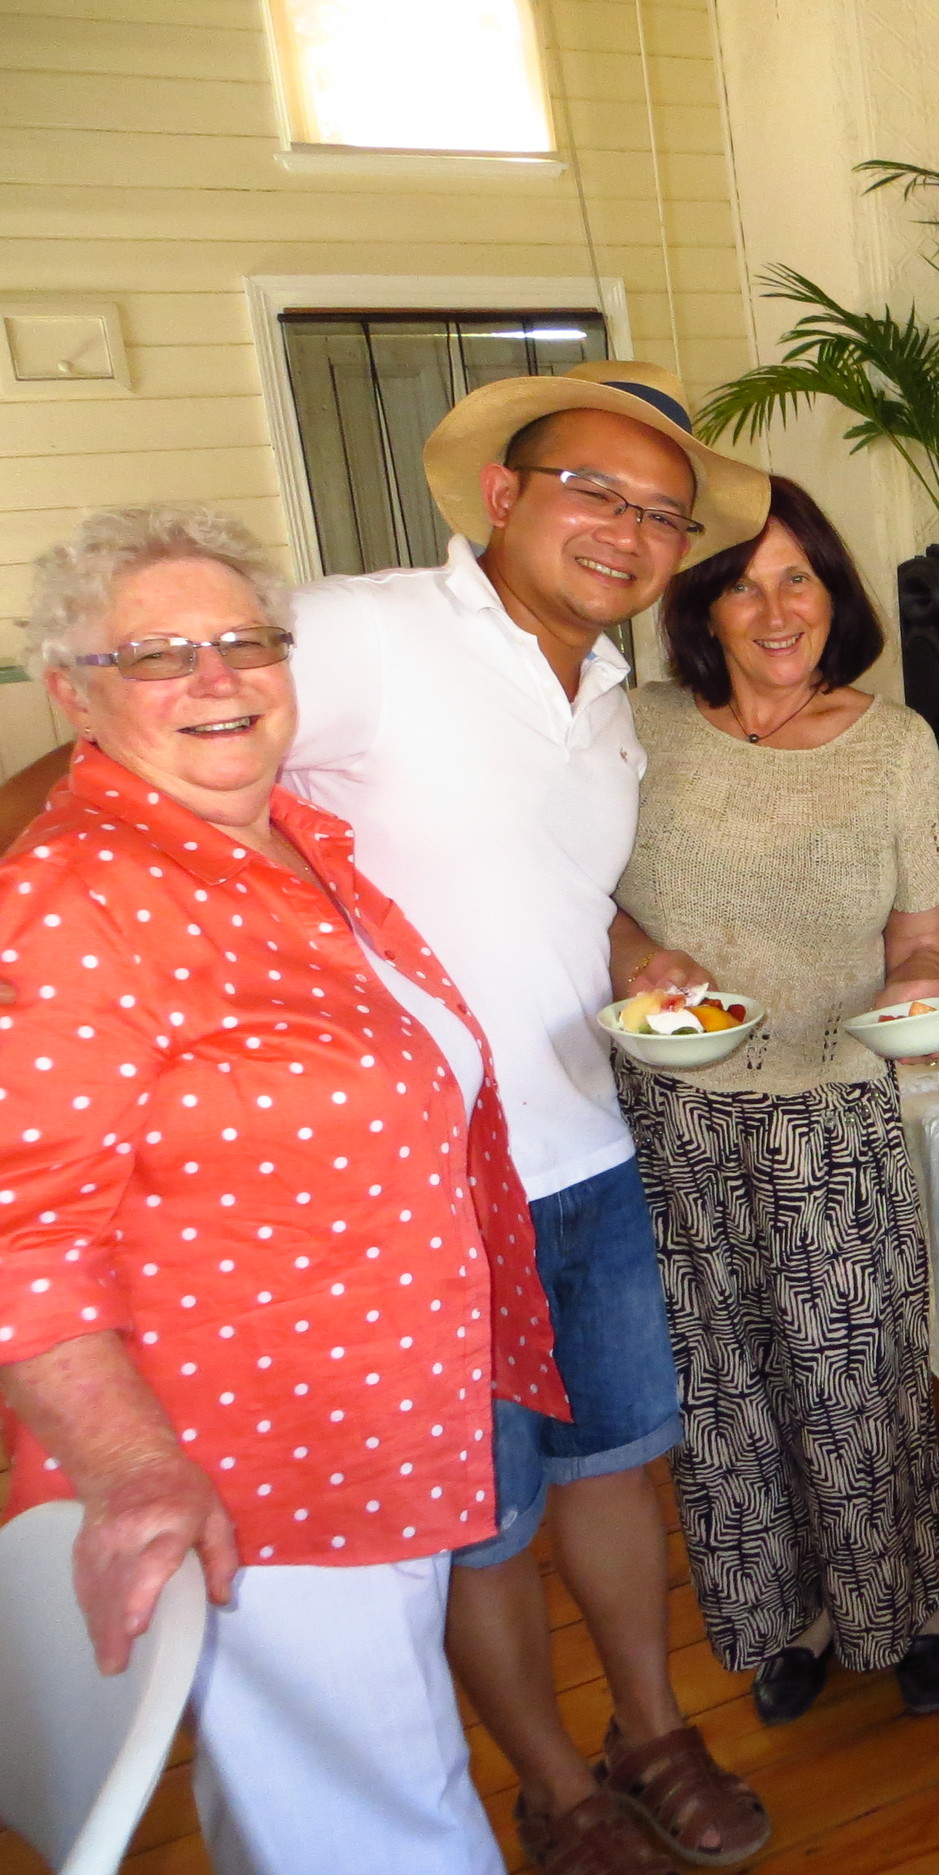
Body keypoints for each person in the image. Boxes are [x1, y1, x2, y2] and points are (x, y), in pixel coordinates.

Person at [0, 362, 775, 1874]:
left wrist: (630, 947)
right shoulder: (357, 633)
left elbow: (533, 881)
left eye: (661, 513)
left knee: (612, 1468)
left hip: (580, 1144)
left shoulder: (611, 696)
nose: (626, 530)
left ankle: (649, 1732)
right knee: (473, 1525)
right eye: (593, 489)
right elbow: (96, 789)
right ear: (502, 493)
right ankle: (554, 1788)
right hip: (397, 1215)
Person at [0, 505, 563, 1875]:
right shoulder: (74, 890)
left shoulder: (294, 839)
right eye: (158, 654)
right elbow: (24, 1229)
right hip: (251, 1459)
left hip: (378, 1418)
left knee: (305, 1797)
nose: (217, 677)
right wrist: (132, 1469)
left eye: (244, 640)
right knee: (392, 1819)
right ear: (73, 694)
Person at [613, 476, 939, 1728]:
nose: (775, 611)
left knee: (856, 1373)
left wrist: (925, 981)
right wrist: (633, 953)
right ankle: (790, 1617)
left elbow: (923, 933)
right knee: (727, 1379)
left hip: (832, 1107)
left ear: (833, 593)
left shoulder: (895, 744)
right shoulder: (638, 729)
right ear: (702, 607)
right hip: (676, 1113)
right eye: (744, 585)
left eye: (798, 579)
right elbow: (585, 893)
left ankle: (906, 1604)